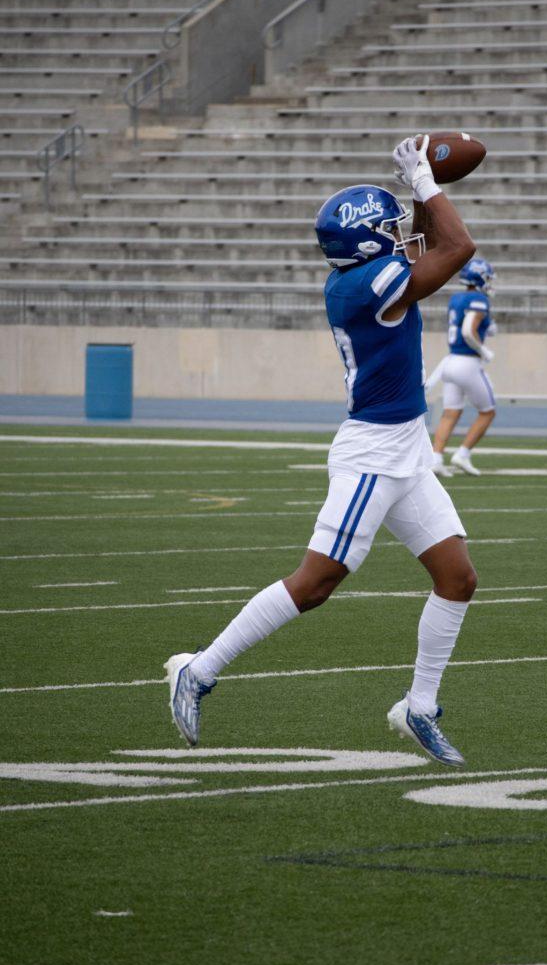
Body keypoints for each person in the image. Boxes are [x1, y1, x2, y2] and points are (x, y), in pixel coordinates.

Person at [165, 135, 478, 768]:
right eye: (385, 227)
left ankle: (419, 707)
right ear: (365, 242)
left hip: (406, 448)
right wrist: (425, 181)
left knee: (458, 578)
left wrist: (421, 185)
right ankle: (197, 670)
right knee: (315, 585)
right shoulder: (366, 286)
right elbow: (457, 248)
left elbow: (423, 246)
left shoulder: (364, 275)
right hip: (371, 456)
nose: (397, 232)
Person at [430, 257, 496, 477]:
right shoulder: (479, 299)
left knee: (450, 412)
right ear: (479, 278)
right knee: (488, 411)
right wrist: (484, 351)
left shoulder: (457, 298)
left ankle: (436, 458)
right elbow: (468, 331)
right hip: (467, 362)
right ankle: (463, 454)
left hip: (450, 361)